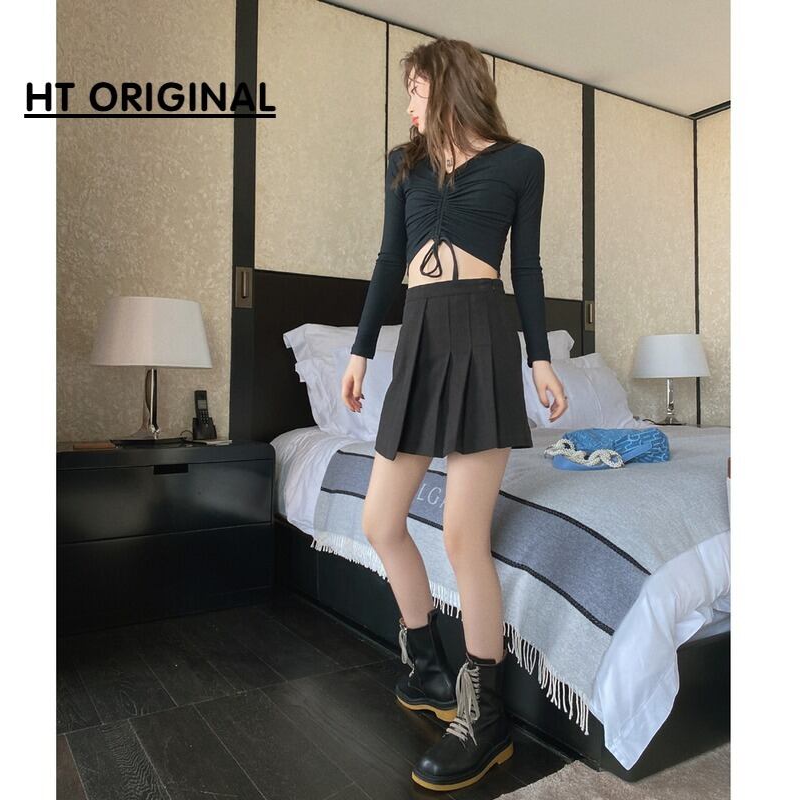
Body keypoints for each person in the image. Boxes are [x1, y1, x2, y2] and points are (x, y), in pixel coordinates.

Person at [341, 38, 568, 792]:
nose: (408, 103)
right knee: (381, 521)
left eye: (415, 88)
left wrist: (540, 359)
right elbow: (388, 261)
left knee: (463, 536)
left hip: (481, 334)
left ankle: (485, 718)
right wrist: (360, 350)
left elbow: (526, 266)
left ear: (447, 85)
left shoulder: (521, 163)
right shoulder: (402, 165)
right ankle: (426, 669)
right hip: (419, 336)